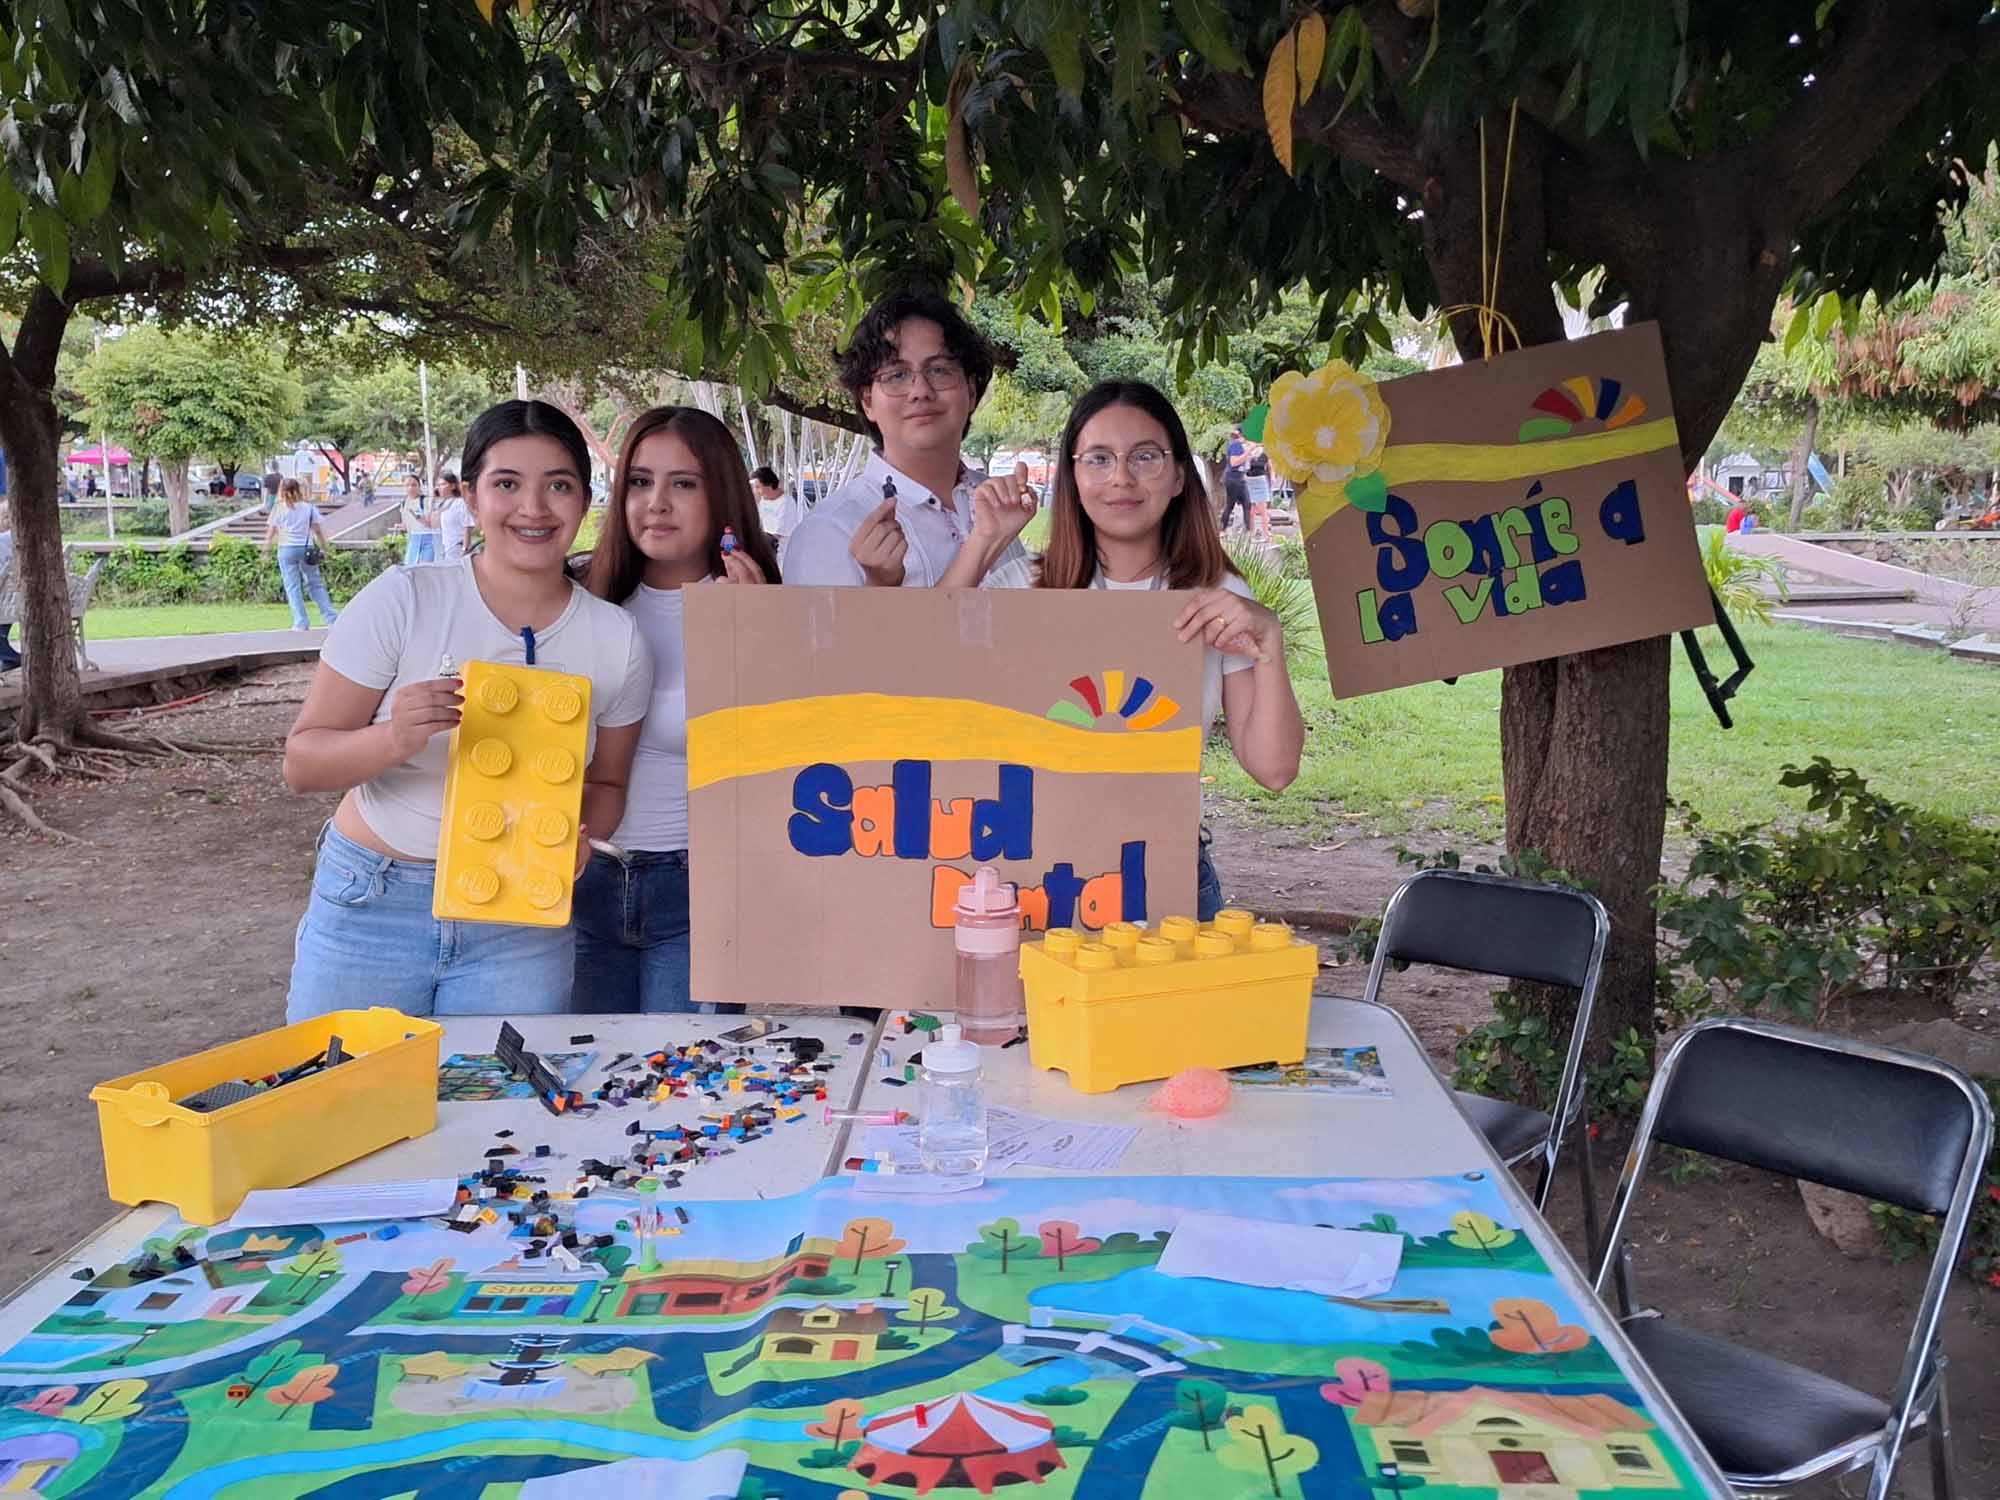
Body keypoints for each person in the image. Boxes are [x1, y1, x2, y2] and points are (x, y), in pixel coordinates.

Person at [279, 400, 655, 1020]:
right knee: (346, 1080)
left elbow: (608, 785)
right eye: (506, 484)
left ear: (586, 502)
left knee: (495, 1085)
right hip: (375, 901)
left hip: (521, 919)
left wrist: (575, 838)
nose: (533, 508)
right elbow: (302, 764)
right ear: (473, 497)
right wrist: (393, 738)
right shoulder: (406, 599)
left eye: (558, 485)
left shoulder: (617, 639)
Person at [1037, 380, 1304, 920]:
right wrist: (982, 544)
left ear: (1180, 475)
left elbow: (1274, 770)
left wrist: (1268, 639)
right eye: (1098, 459)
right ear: (1073, 475)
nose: (1121, 478)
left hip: (1166, 873)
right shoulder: (1022, 587)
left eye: (1145, 456)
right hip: (1036, 874)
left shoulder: (1220, 597)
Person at [575, 407, 781, 1013]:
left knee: (686, 1070)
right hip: (577, 877)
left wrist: (757, 640)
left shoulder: (760, 603)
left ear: (722, 495)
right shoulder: (579, 597)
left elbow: (784, 765)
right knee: (579, 1065)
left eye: (683, 483)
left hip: (698, 887)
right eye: (640, 481)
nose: (656, 503)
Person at [781, 288, 1038, 590]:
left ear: (971, 391)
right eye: (897, 375)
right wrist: (985, 543)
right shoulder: (829, 531)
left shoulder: (999, 502)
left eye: (939, 370)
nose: (920, 391)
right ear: (867, 401)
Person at [262, 479, 340, 631]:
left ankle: (301, 622)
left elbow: (271, 533)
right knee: (315, 584)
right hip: (306, 549)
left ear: (281, 490)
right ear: (298, 489)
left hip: (286, 549)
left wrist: (265, 551)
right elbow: (318, 531)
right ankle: (331, 618)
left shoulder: (279, 508)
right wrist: (324, 548)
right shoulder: (309, 508)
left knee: (293, 587)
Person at [436, 473, 475, 561]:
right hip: (447, 549)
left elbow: (467, 527)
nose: (440, 487)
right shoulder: (443, 504)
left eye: (443, 484)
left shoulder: (461, 503)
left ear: (453, 486)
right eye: (438, 485)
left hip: (458, 548)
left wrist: (465, 549)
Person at [401, 474, 439, 564]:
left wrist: (417, 517)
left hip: (428, 539)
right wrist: (401, 526)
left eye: (414, 485)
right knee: (411, 568)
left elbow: (432, 524)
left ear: (419, 486)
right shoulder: (404, 503)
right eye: (407, 485)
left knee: (425, 567)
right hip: (413, 540)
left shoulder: (426, 501)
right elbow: (405, 525)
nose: (410, 488)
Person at [751, 465, 793, 543]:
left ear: (769, 485)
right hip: (764, 542)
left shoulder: (786, 503)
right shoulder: (763, 500)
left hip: (779, 546)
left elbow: (778, 536)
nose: (756, 491)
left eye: (758, 487)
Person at [1243, 440, 1274, 543]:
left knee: (1263, 511)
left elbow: (1270, 466)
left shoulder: (1265, 452)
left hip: (1260, 481)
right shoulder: (1247, 451)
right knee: (1251, 512)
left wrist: (1272, 477)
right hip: (1249, 482)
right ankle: (1251, 536)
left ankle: (1266, 536)